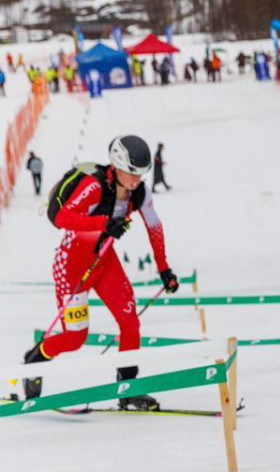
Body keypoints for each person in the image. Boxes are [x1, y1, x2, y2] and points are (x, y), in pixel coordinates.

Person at [20, 136, 181, 410]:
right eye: (131, 173)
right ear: (117, 166)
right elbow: (62, 218)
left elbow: (154, 226)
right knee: (75, 338)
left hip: (105, 263)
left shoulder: (140, 193)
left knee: (131, 324)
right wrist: (104, 223)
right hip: (72, 267)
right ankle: (36, 358)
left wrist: (164, 268)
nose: (136, 180)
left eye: (141, 174)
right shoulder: (94, 186)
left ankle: (128, 388)